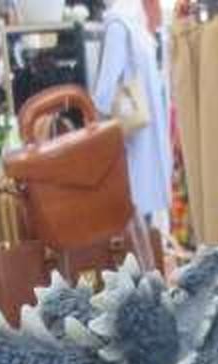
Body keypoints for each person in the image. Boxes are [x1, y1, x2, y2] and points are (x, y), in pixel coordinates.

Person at [92, 0, 172, 223]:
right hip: (142, 138)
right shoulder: (132, 26)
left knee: (138, 217)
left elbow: (105, 94)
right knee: (141, 217)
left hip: (136, 141)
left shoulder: (122, 26)